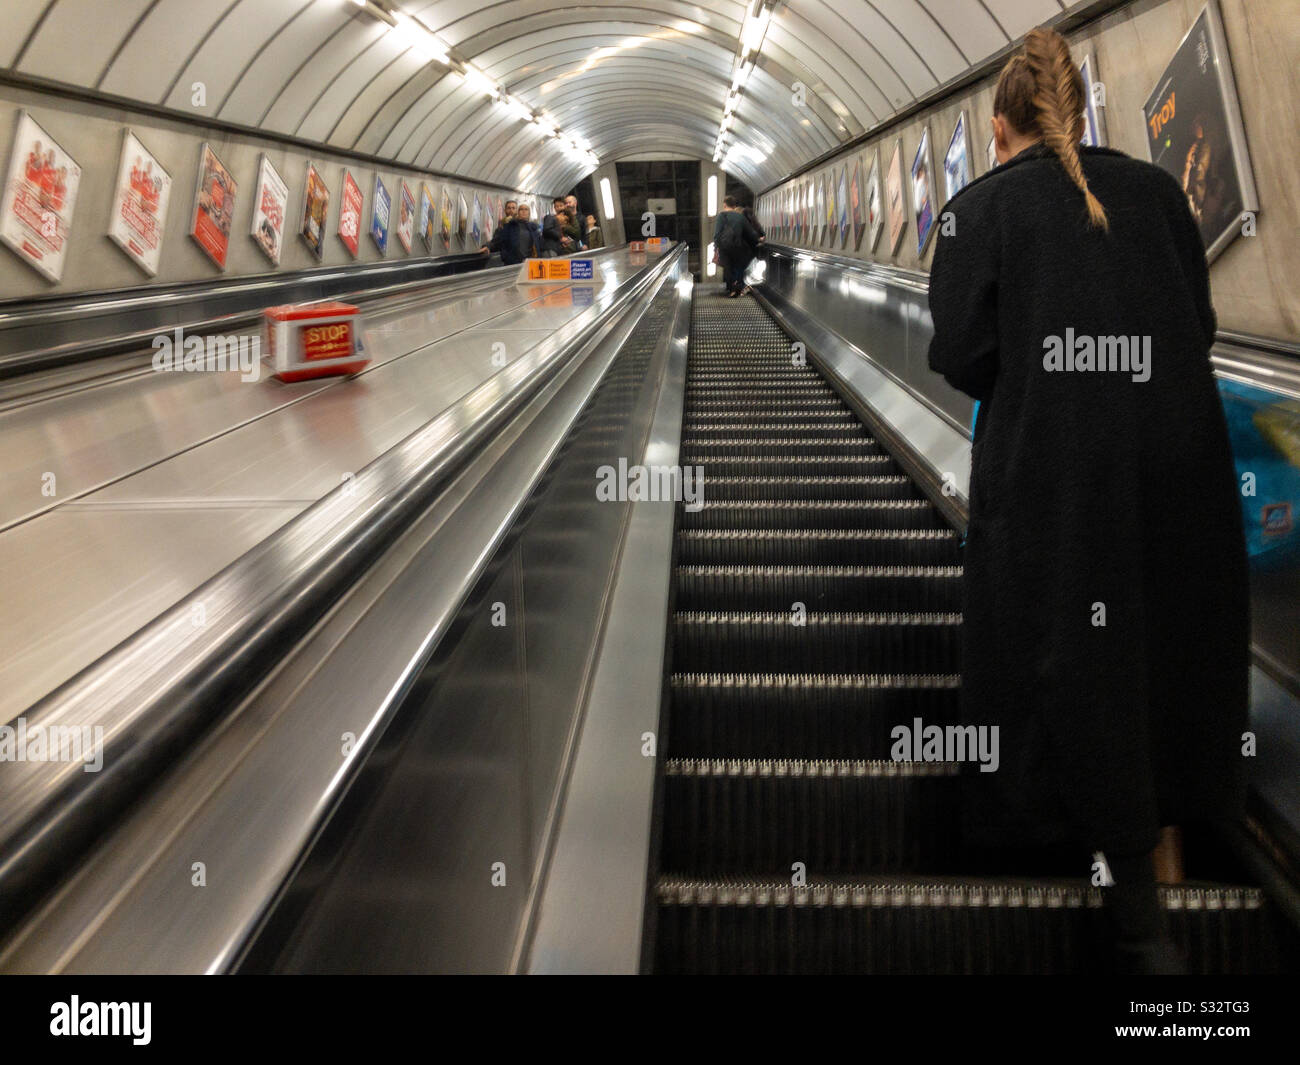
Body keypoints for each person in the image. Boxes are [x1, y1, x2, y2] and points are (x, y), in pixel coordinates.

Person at [926, 26, 1248, 975]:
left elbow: (963, 354)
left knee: (1068, 646)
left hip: (1058, 474)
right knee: (1159, 643)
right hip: (1180, 466)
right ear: (1084, 108)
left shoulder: (980, 211)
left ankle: (1130, 917)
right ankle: (1170, 857)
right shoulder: (1157, 194)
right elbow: (1200, 320)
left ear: (997, 130)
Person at [712, 195, 759, 297]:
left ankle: (731, 289)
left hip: (724, 247)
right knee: (738, 266)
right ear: (734, 205)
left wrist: (716, 247)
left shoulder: (721, 216)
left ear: (725, 204)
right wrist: (758, 239)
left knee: (728, 268)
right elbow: (750, 232)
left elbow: (717, 234)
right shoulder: (740, 217)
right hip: (737, 246)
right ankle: (738, 287)